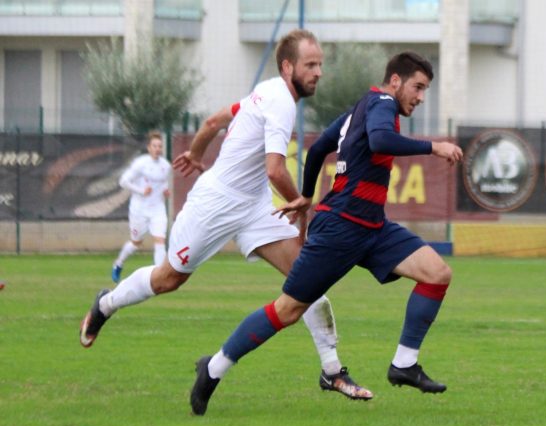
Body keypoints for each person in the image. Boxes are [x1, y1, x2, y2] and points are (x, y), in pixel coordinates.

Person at [80, 29, 373, 401]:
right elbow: (275, 171)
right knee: (169, 278)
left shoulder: (268, 90)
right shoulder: (280, 101)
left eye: (320, 65)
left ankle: (332, 372)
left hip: (252, 205)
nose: (318, 72)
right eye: (310, 64)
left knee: (309, 280)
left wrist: (198, 153)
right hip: (215, 204)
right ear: (288, 67)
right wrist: (303, 203)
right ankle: (105, 304)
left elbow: (214, 121)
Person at [189, 51, 463, 415]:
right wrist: (434, 146)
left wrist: (305, 195)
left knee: (436, 273)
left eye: (425, 89)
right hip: (341, 228)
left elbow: (319, 148)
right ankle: (213, 367)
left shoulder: (361, 107)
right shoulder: (382, 103)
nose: (420, 96)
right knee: (288, 310)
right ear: (395, 81)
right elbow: (380, 141)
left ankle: (404, 365)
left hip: (372, 227)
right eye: (418, 87)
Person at [111, 131, 171, 283]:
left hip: (157, 209)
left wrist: (165, 190)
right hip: (139, 210)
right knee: (136, 243)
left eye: (160, 146)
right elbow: (123, 181)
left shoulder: (165, 165)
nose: (158, 149)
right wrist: (141, 191)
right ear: (149, 147)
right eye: (155, 146)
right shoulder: (141, 163)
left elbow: (164, 182)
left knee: (160, 240)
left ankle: (160, 277)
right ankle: (118, 263)